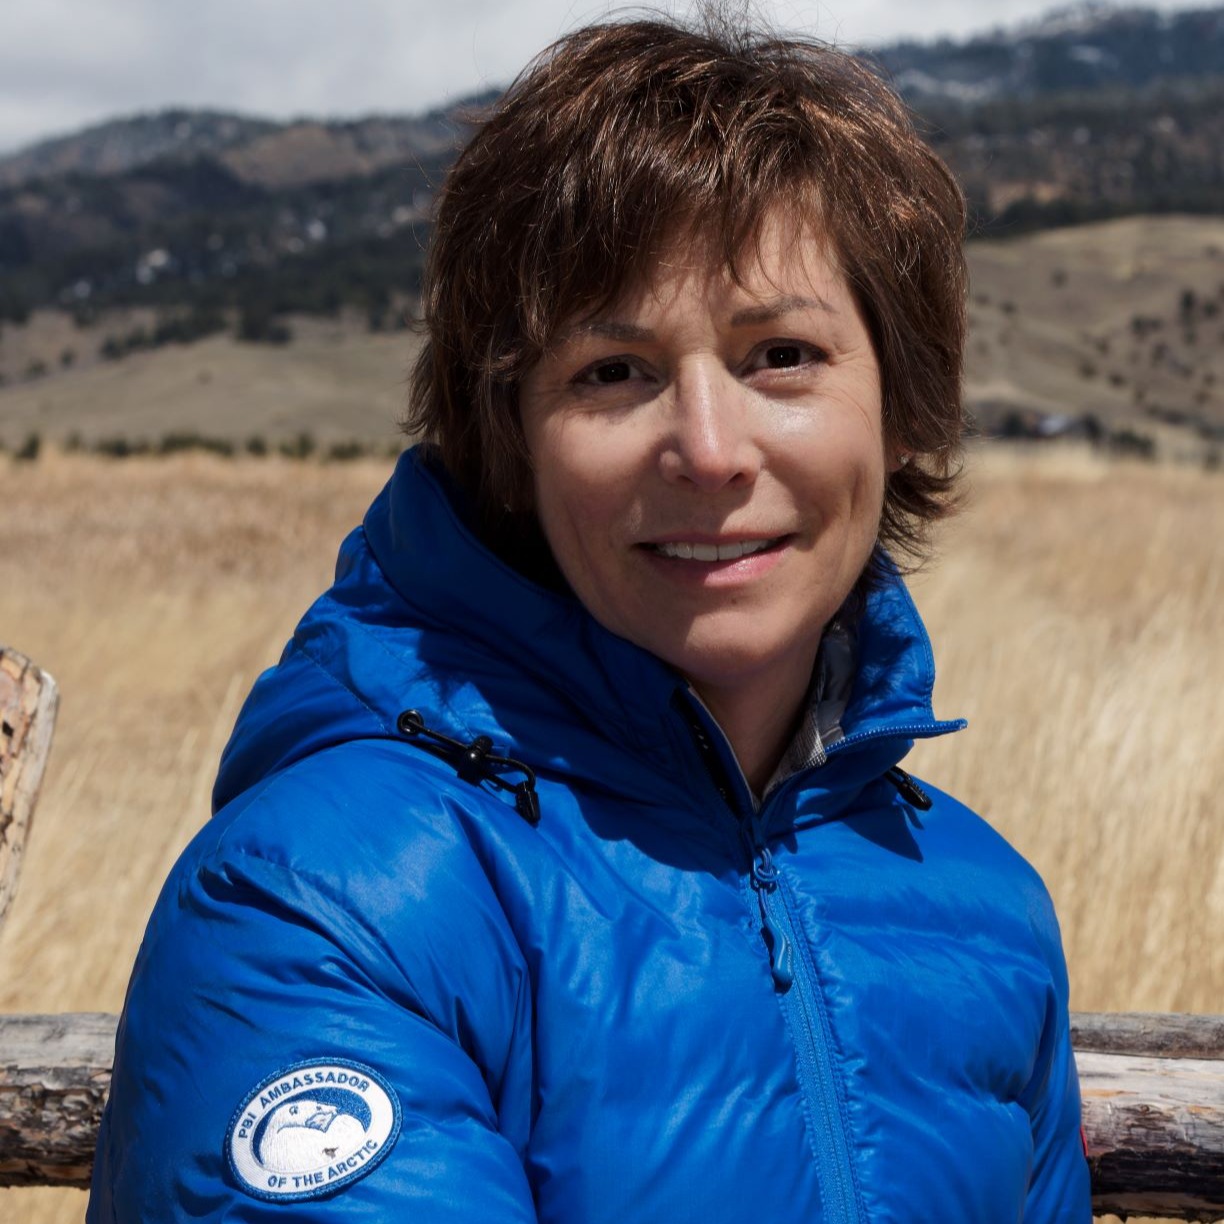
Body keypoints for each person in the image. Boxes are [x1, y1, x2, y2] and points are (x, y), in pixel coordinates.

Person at [88, 14, 1092, 1222]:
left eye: (781, 354)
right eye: (613, 372)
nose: (710, 451)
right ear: (510, 437)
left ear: (901, 403)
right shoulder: (332, 893)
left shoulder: (981, 908)